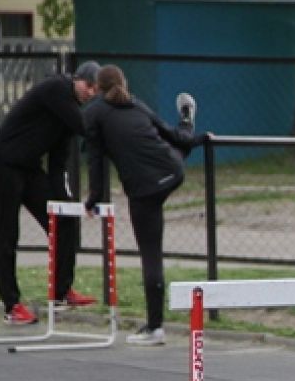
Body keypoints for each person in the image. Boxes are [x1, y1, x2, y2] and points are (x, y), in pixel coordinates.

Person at [83, 65, 207, 346]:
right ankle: (187, 118)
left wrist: (94, 199)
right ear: (124, 83)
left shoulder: (94, 113)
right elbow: (172, 136)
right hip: (172, 170)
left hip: (143, 189)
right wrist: (194, 138)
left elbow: (95, 160)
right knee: (179, 144)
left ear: (98, 88)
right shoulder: (136, 104)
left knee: (151, 255)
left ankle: (155, 327)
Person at [0, 61, 102, 325]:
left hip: (30, 168)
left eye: (96, 91)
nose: (91, 93)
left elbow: (58, 162)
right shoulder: (57, 89)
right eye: (89, 86)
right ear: (77, 79)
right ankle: (12, 305)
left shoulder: (68, 114)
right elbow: (85, 127)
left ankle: (61, 291)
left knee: (64, 220)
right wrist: (113, 127)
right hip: (4, 164)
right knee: (6, 235)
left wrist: (64, 200)